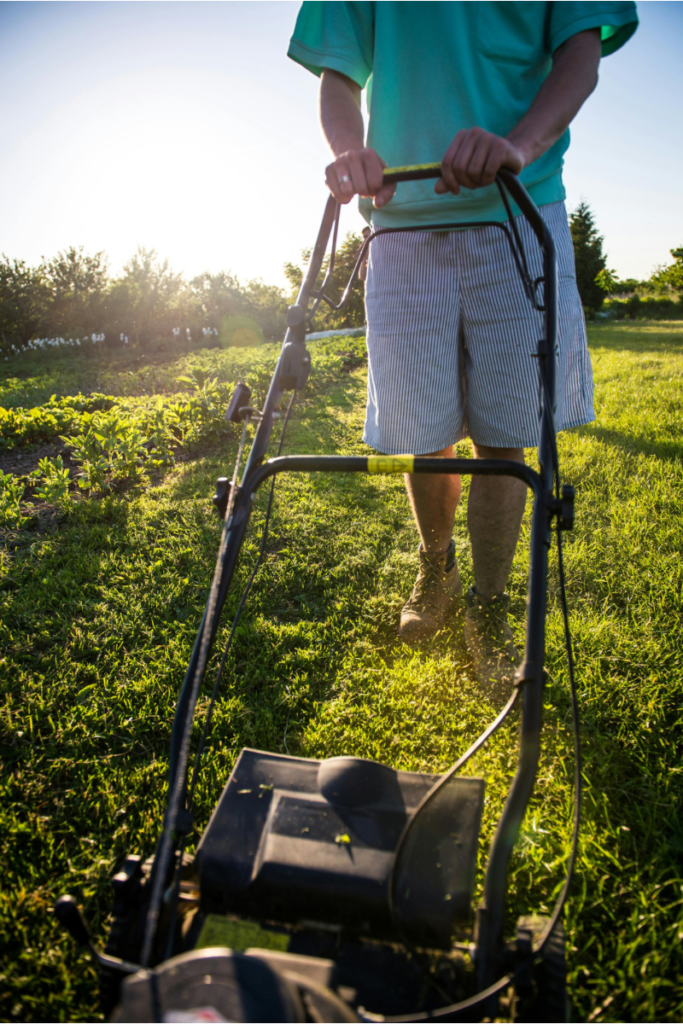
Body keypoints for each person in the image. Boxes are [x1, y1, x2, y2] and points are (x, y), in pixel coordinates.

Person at [287, 2, 638, 691]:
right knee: (424, 430)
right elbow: (337, 71)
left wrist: (519, 144)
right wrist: (347, 152)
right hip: (399, 224)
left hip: (516, 204)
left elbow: (580, 50)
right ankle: (435, 565)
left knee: (505, 434)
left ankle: (491, 602)